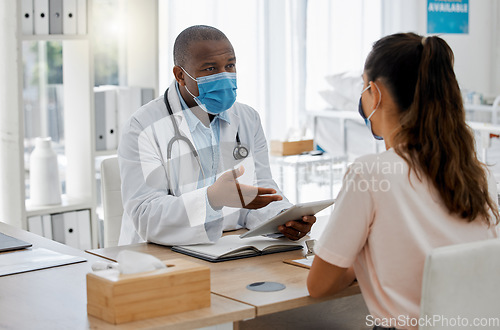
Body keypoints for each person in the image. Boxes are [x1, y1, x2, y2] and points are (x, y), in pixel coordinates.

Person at [307, 33, 499, 329]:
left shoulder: (369, 173)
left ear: (376, 93)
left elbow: (319, 285)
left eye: (363, 87)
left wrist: (357, 257)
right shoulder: (477, 172)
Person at [117, 25, 315, 246]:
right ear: (180, 75)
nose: (224, 75)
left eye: (230, 65)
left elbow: (260, 192)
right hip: (157, 257)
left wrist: (284, 219)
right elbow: (145, 217)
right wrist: (212, 199)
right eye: (210, 69)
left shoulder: (248, 119)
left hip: (227, 248)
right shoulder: (142, 126)